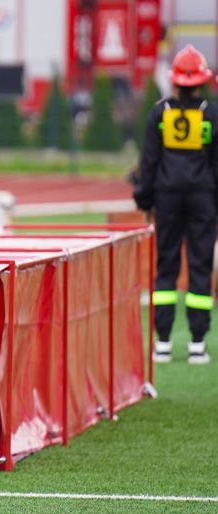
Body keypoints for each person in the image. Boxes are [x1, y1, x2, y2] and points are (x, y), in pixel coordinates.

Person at [135, 44, 218, 364]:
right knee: (200, 267)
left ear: (174, 82)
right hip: (203, 198)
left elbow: (149, 161)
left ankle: (163, 344)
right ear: (201, 81)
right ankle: (198, 344)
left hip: (167, 198)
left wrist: (144, 198)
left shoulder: (159, 113)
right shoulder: (211, 114)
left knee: (166, 268)